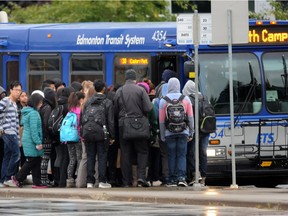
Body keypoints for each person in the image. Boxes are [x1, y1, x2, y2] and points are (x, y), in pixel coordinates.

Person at [114, 69, 153, 187]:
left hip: (124, 125)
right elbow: (148, 108)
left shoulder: (119, 91)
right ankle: (141, 177)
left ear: (125, 79)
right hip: (140, 125)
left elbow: (115, 111)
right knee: (142, 151)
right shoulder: (141, 90)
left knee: (125, 153)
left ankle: (126, 181)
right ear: (135, 79)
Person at [159, 77, 194, 187]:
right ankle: (182, 178)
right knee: (182, 155)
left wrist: (162, 135)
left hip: (169, 132)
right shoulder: (186, 99)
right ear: (179, 86)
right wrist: (191, 132)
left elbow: (161, 121)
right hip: (183, 131)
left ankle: (172, 179)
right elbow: (191, 117)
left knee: (171, 155)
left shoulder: (163, 100)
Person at [82, 79, 115, 188]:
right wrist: (112, 136)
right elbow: (110, 121)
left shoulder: (88, 101)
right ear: (104, 89)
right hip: (102, 133)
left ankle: (89, 182)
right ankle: (102, 181)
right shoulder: (107, 102)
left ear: (95, 89)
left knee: (90, 156)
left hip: (88, 132)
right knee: (102, 156)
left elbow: (82, 118)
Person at [11, 93, 47, 188]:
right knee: (32, 160)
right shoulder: (34, 114)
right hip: (32, 141)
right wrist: (38, 142)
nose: (41, 104)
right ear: (36, 102)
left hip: (28, 140)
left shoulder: (27, 112)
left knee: (36, 160)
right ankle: (17, 178)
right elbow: (34, 130)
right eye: (40, 102)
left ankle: (37, 182)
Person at [183, 80, 210, 186]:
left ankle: (195, 175)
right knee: (203, 154)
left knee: (192, 153)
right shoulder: (204, 97)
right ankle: (204, 177)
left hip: (194, 130)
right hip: (205, 130)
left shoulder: (188, 99)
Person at [0, 81, 22, 187]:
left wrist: (18, 138)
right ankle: (8, 177)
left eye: (19, 90)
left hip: (13, 133)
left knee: (7, 156)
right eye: (16, 90)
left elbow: (16, 123)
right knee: (16, 154)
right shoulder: (5, 101)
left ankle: (3, 180)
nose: (18, 92)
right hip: (7, 132)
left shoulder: (15, 104)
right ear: (11, 90)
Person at [66, 91, 85, 188]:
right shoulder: (80, 111)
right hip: (77, 138)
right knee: (79, 159)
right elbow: (80, 126)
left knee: (71, 159)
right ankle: (78, 178)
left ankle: (69, 179)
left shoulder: (70, 111)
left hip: (69, 139)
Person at [39, 87, 57, 186]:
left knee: (44, 158)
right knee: (45, 158)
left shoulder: (43, 106)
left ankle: (43, 179)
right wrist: (49, 136)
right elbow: (46, 123)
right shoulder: (48, 108)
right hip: (46, 137)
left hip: (43, 136)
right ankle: (44, 180)